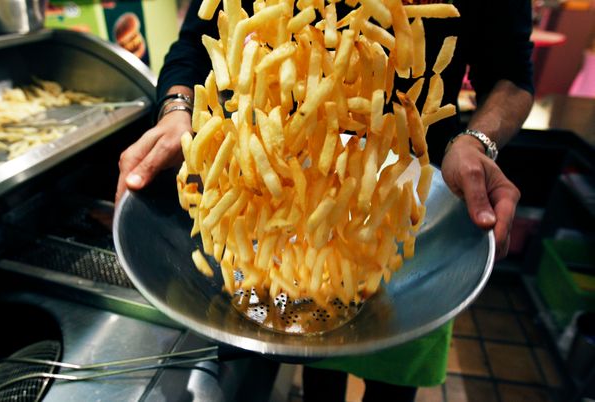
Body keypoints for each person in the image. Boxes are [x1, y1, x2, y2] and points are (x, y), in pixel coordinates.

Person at [116, 0, 534, 400]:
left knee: (394, 385)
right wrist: (176, 111)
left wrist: (477, 142)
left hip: (409, 216)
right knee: (319, 377)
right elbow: (195, 42)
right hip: (275, 212)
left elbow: (512, 77)